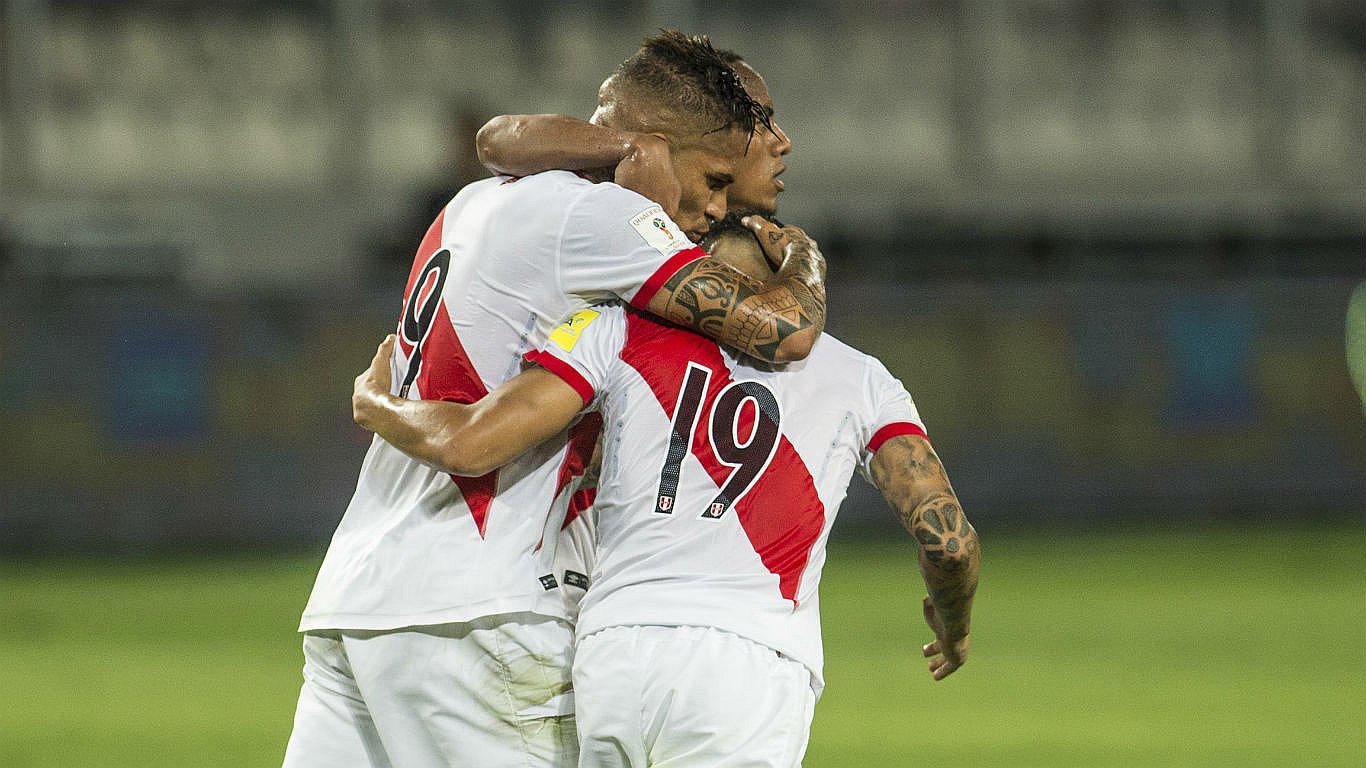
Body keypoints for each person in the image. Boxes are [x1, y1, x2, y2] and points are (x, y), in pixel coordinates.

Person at [282, 32, 826, 768]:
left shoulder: (475, 201)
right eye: (713, 180)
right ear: (653, 150)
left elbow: (499, 137)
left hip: (358, 601)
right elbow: (782, 331)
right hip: (480, 611)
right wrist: (803, 256)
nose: (712, 208)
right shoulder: (606, 223)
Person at [352, 214, 981, 767]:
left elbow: (477, 438)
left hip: (615, 654)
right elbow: (948, 540)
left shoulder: (613, 331)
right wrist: (951, 625)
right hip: (750, 664)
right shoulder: (862, 379)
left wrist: (379, 403)